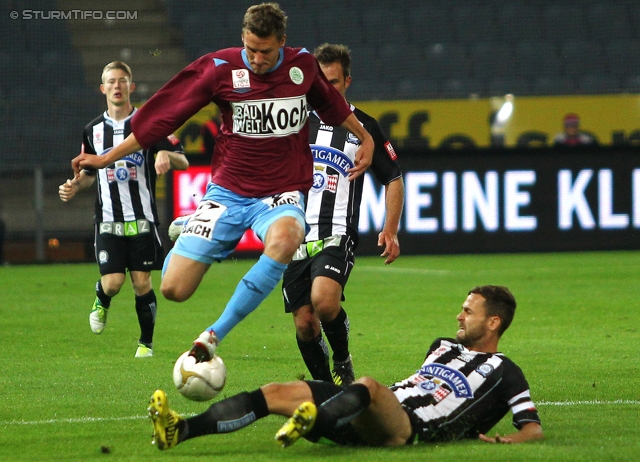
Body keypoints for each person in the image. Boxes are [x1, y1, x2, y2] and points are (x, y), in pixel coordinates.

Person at [70, 3, 374, 362]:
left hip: (281, 191)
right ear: (242, 38)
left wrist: (363, 135)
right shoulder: (219, 68)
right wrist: (106, 157)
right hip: (228, 192)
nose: (257, 59)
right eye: (251, 49)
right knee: (173, 289)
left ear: (282, 42)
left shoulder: (302, 66)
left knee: (288, 239)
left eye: (266, 51)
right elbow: (161, 117)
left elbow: (332, 105)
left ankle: (213, 335)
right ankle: (191, 229)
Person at [146, 285, 543, 450]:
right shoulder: (440, 347)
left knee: (368, 384)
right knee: (276, 392)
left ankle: (316, 420)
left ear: (493, 323)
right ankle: (180, 430)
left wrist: (509, 442)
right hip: (369, 410)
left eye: (469, 312)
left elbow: (532, 426)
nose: (459, 316)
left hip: (410, 429)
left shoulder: (504, 370)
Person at [282, 43, 404, 386]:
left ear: (347, 81)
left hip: (338, 231)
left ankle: (343, 357)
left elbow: (392, 177)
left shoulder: (364, 126)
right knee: (305, 323)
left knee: (323, 301)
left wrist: (390, 229)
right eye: (318, 80)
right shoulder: (294, 123)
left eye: (332, 82)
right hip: (294, 237)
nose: (323, 88)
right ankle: (325, 389)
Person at [59, 61, 188, 358]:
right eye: (111, 82)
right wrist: (75, 186)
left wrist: (166, 154)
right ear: (103, 89)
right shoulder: (92, 130)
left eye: (122, 81)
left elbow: (183, 160)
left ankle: (146, 344)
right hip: (107, 220)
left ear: (131, 87)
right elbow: (88, 173)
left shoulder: (149, 124)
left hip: (141, 218)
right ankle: (102, 298)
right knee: (114, 283)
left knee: (142, 282)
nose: (117, 86)